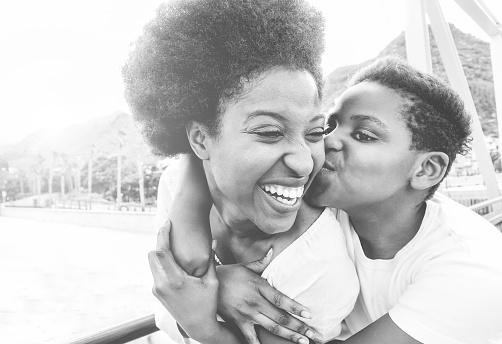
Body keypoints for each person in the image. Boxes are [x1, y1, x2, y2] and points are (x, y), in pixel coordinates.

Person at [150, 56, 502, 344]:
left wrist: (205, 327)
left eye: (363, 134)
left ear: (426, 169)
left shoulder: (470, 272)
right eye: (326, 128)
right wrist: (219, 277)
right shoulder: (327, 205)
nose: (326, 144)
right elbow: (213, 158)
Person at [122, 0, 359, 343]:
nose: (305, 163)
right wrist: (217, 280)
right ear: (200, 139)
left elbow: (176, 305)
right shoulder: (176, 183)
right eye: (270, 133)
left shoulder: (317, 264)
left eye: (314, 133)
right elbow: (172, 301)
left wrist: (205, 318)